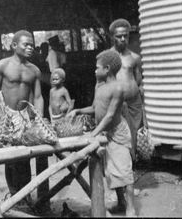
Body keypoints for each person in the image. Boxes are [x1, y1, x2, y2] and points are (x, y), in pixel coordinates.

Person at [66, 50, 135, 216]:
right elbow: (95, 108)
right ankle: (121, 202)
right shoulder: (99, 86)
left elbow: (110, 115)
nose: (94, 71)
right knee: (111, 170)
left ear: (107, 69)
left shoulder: (118, 87)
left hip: (117, 132)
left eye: (97, 68)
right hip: (104, 131)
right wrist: (78, 110)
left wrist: (93, 133)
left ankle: (131, 208)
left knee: (124, 172)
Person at [0, 30, 48, 210]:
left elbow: (38, 97)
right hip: (8, 115)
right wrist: (1, 115)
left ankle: (29, 196)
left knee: (28, 156)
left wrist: (39, 119)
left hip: (25, 116)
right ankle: (15, 195)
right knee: (11, 157)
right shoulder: (3, 65)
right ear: (14, 46)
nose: (30, 48)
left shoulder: (34, 70)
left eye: (32, 45)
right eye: (26, 45)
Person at [109, 18, 143, 160]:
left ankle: (133, 164)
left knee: (135, 134)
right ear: (112, 37)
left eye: (125, 35)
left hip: (134, 104)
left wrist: (144, 106)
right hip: (118, 104)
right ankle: (124, 166)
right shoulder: (107, 58)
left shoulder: (135, 57)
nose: (123, 39)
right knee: (121, 135)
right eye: (119, 36)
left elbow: (139, 82)